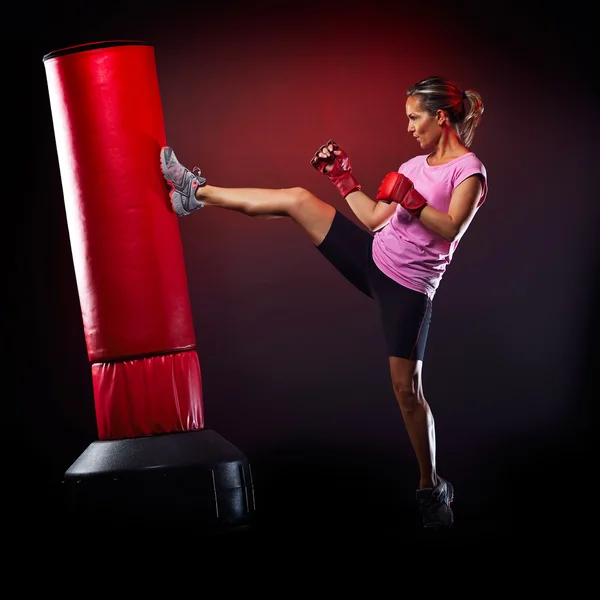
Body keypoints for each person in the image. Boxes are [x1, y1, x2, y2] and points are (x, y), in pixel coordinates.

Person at [159, 75, 487, 529]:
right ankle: (195, 194)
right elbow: (375, 219)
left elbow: (451, 229)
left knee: (407, 393)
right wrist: (343, 179)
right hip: (373, 257)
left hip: (409, 291)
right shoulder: (414, 164)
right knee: (296, 200)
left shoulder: (468, 171)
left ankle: (431, 489)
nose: (410, 127)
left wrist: (412, 204)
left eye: (415, 117)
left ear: (441, 117)